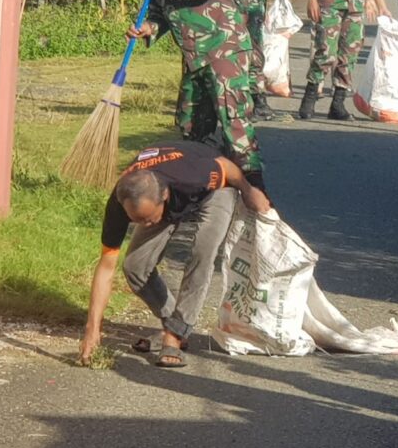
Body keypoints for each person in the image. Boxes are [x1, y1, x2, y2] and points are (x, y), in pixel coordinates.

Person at [78, 142, 271, 368]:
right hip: (168, 198)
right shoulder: (120, 203)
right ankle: (176, 326)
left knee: (203, 250)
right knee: (134, 266)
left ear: (164, 195)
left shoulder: (191, 176)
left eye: (148, 219)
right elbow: (106, 267)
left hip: (215, 192)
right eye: (137, 220)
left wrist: (249, 191)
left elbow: (226, 167)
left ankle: (174, 336)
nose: (144, 224)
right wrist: (92, 330)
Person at [124, 0, 264, 187]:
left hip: (223, 51)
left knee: (235, 125)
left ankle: (257, 196)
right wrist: (148, 27)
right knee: (191, 128)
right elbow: (159, 13)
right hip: (194, 59)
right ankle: (206, 190)